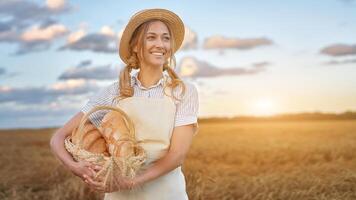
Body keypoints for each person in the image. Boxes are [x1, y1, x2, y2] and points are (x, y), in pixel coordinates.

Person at [50, 8, 199, 199]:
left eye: (166, 38)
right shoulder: (115, 92)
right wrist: (76, 167)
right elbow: (58, 137)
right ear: (136, 46)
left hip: (167, 193)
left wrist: (130, 182)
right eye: (151, 37)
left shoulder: (183, 91)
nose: (160, 44)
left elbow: (177, 155)